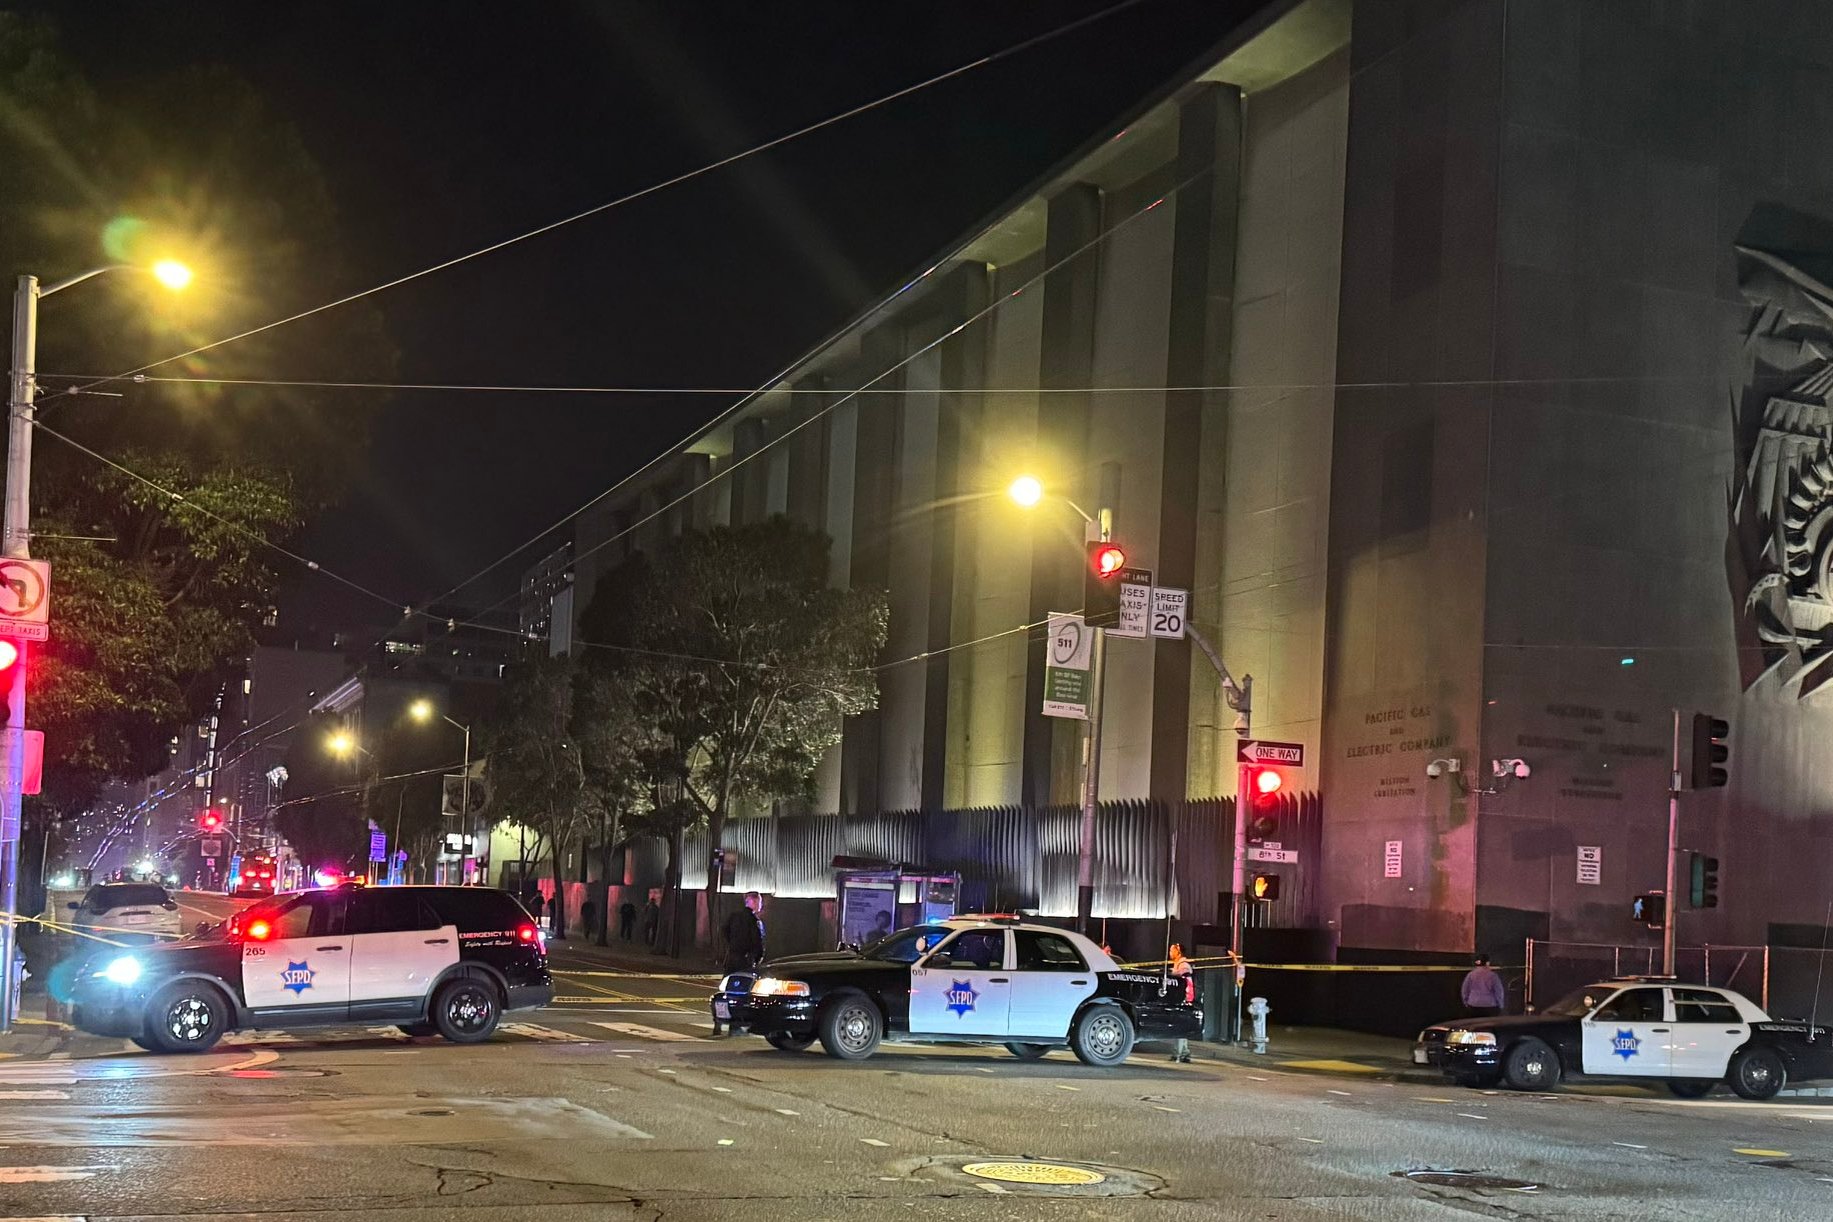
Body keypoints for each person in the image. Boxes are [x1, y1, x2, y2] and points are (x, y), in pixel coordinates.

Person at [1461, 953, 1506, 1018]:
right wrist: (1500, 1005)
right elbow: (1499, 991)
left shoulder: (1470, 975)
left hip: (1473, 1005)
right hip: (1490, 1006)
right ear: (1487, 963)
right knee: (1490, 1026)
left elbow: (1464, 990)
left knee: (1475, 1026)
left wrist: (1466, 1002)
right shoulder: (1493, 976)